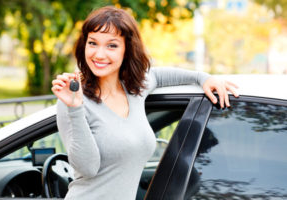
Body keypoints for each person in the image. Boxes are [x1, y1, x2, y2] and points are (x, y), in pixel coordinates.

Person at [51, 6, 238, 200]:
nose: (99, 54)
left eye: (112, 45)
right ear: (84, 46)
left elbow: (159, 75)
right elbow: (88, 168)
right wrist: (75, 108)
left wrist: (204, 79)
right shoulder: (72, 101)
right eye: (93, 43)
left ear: (127, 49)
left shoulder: (134, 89)